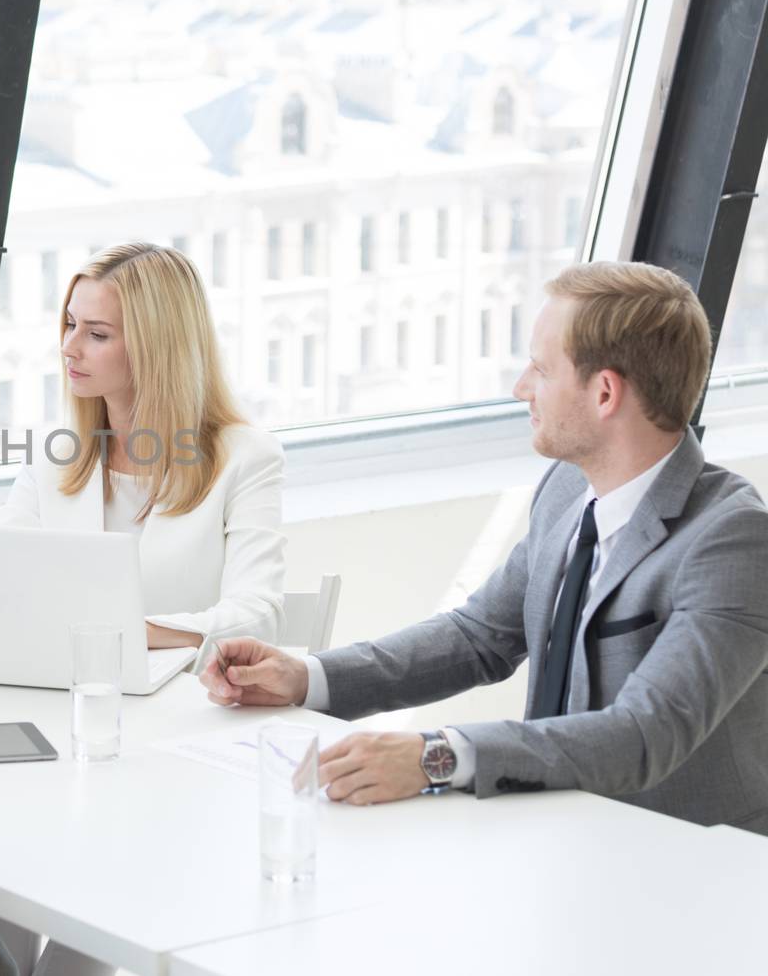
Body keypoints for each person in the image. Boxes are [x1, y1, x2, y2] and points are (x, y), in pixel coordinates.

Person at [200, 262, 768, 834]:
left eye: (541, 370)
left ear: (604, 392)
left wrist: (433, 757)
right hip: (560, 828)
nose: (522, 387)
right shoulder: (570, 488)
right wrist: (308, 677)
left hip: (684, 860)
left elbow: (645, 734)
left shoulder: (732, 540)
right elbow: (480, 637)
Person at [0, 242, 286, 976]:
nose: (68, 347)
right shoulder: (58, 454)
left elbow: (257, 614)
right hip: (57, 730)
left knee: (75, 943)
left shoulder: (243, 457)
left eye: (97, 332)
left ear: (154, 344)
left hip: (174, 749)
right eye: (69, 323)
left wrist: (127, 630)